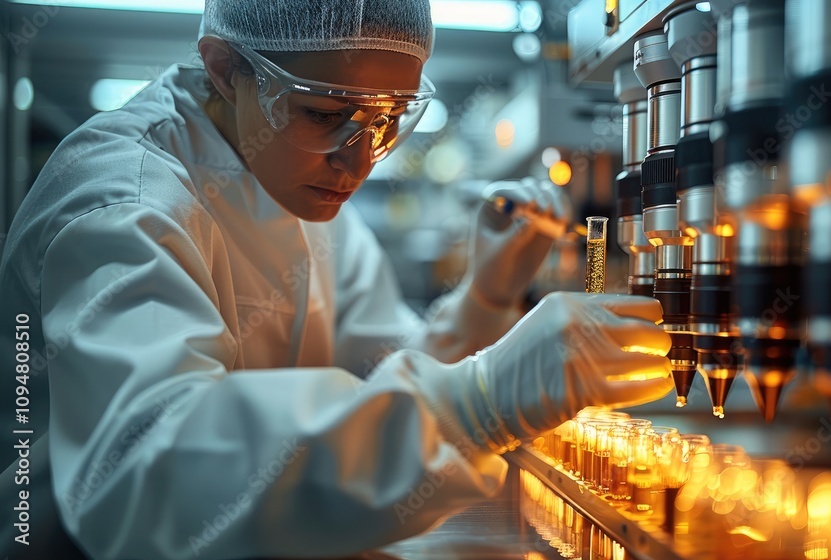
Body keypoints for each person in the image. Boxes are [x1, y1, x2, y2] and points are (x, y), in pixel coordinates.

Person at [0, 1, 673, 558]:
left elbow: (376, 378)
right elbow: (148, 477)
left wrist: (484, 298)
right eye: (325, 114)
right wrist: (474, 406)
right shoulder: (121, 201)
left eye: (387, 121)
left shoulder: (298, 188)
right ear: (225, 67)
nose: (358, 162)